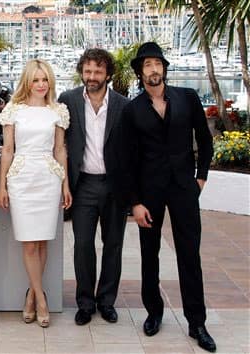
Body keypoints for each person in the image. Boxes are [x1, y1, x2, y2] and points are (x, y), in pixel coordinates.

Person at [120, 42, 216, 352]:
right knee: (150, 255)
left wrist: (201, 176)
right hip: (148, 193)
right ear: (140, 72)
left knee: (190, 254)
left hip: (184, 188)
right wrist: (134, 202)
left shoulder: (187, 98)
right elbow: (127, 160)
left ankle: (196, 322)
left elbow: (204, 138)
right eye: (147, 65)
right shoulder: (132, 110)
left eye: (157, 64)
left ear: (164, 68)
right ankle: (154, 313)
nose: (153, 69)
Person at [0, 59, 72, 328]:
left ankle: (32, 295)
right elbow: (7, 150)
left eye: (45, 79)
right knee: (29, 242)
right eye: (36, 79)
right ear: (27, 81)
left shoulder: (58, 111)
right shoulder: (13, 110)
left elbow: (60, 150)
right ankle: (40, 298)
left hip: (49, 177)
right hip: (21, 177)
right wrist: (2, 185)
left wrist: (65, 185)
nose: (41, 85)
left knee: (43, 242)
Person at [58, 49, 129, 326]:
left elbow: (132, 150)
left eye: (98, 72)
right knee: (83, 245)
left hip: (115, 186)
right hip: (83, 184)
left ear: (108, 74)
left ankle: (107, 302)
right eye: (87, 71)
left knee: (113, 245)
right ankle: (85, 303)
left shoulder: (123, 105)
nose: (92, 77)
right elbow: (60, 145)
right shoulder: (69, 100)